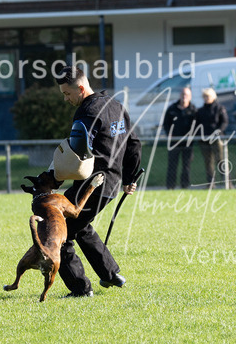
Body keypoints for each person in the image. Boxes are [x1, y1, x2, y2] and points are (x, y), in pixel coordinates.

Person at [54, 66, 142, 298]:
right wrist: (130, 178)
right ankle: (111, 274)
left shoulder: (87, 113)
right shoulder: (115, 105)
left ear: (81, 88)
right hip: (111, 184)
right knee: (80, 226)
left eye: (67, 93)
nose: (65, 99)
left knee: (59, 234)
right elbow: (133, 143)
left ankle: (81, 289)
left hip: (92, 184)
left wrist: (54, 178)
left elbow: (77, 151)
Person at [194, 87, 230, 189]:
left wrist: (218, 132)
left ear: (213, 97)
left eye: (208, 96)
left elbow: (224, 122)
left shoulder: (219, 108)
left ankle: (227, 183)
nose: (206, 98)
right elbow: (197, 124)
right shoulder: (200, 111)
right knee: (208, 162)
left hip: (216, 139)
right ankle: (211, 183)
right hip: (204, 139)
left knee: (221, 161)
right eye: (204, 96)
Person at [162, 87, 196, 190]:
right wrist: (169, 133)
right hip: (174, 142)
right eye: (183, 94)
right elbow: (166, 123)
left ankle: (185, 185)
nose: (184, 96)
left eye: (186, 95)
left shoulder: (193, 109)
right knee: (172, 165)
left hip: (188, 143)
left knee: (186, 165)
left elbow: (197, 125)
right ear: (180, 95)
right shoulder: (172, 108)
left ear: (190, 97)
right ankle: (170, 186)